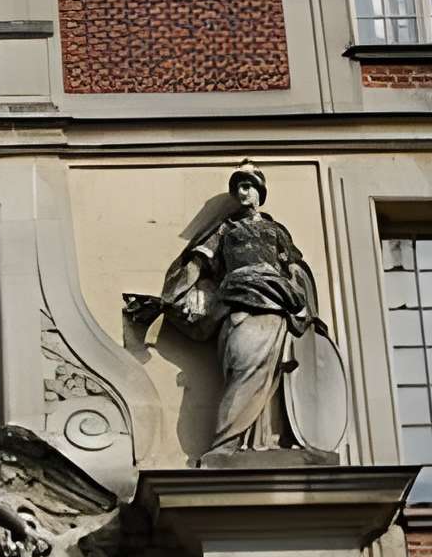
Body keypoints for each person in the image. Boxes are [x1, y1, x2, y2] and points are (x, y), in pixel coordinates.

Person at [136, 166, 322, 455]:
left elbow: (294, 268)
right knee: (243, 363)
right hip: (237, 304)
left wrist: (302, 305)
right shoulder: (225, 230)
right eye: (239, 187)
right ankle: (227, 441)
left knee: (276, 377)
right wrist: (183, 294)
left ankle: (267, 440)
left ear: (260, 192)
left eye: (248, 186)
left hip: (276, 306)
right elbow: (197, 263)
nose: (242, 192)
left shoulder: (275, 231)